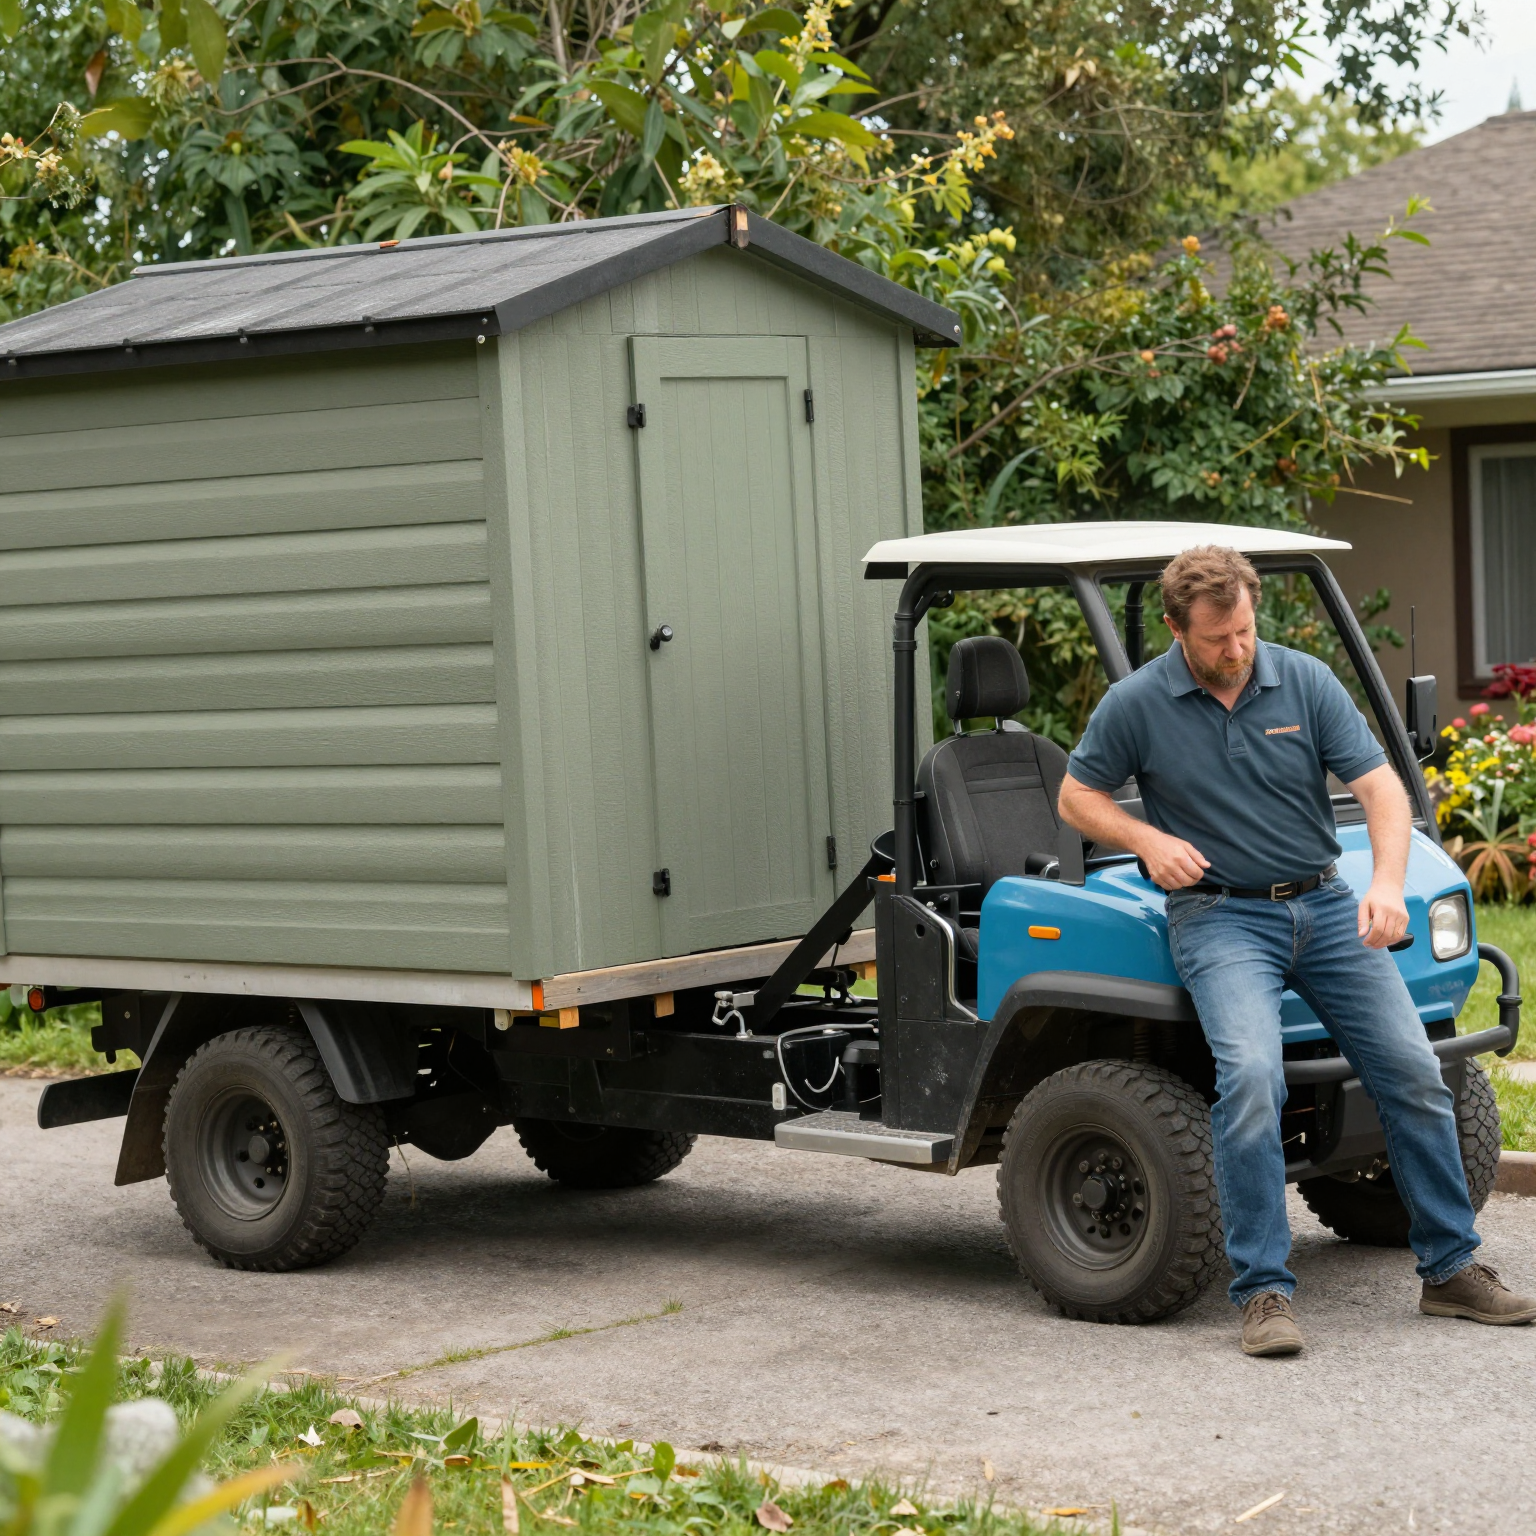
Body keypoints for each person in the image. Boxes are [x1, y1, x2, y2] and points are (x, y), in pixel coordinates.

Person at [1057, 544, 1535, 1357]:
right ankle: (1264, 1292)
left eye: (1245, 630)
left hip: (1322, 903)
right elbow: (1076, 795)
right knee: (1250, 1079)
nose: (1237, 650)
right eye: (1217, 639)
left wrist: (1385, 884)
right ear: (1177, 629)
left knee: (1418, 1073)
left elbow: (1381, 788)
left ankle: (1451, 1269)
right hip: (1218, 918)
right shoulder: (1137, 703)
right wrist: (1144, 838)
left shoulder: (1301, 680)